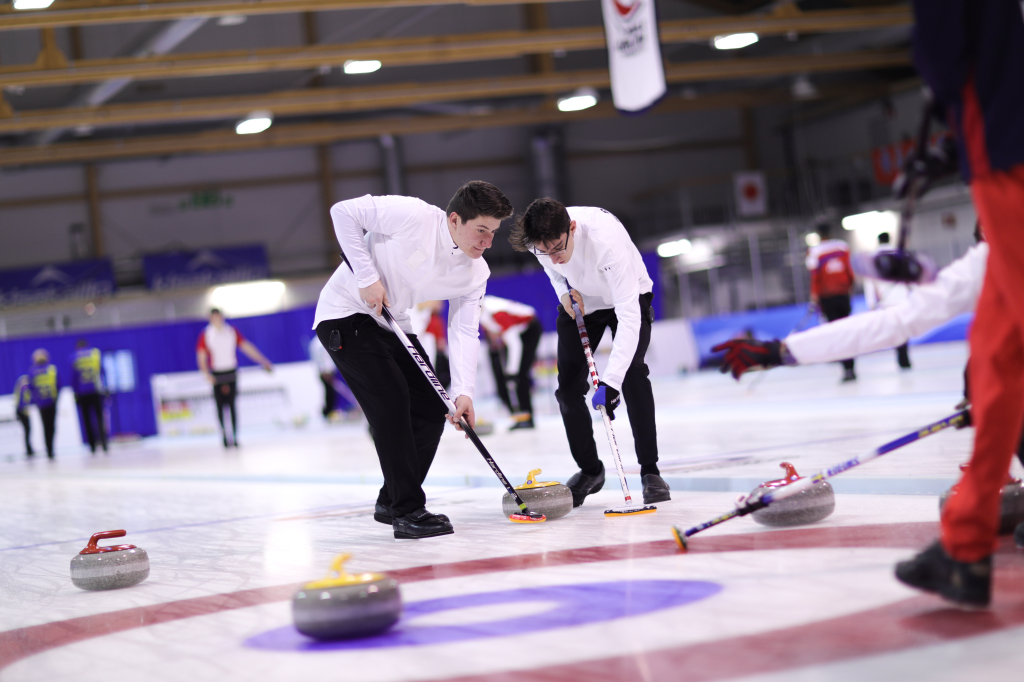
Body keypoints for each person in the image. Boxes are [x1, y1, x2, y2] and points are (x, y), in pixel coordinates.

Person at [891, 0, 1024, 608]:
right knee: (995, 357)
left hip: (1007, 157)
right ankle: (965, 548)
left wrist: (953, 128)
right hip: (997, 146)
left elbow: (944, 56)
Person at [313, 181, 513, 539]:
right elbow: (342, 212)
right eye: (481, 230)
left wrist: (463, 391)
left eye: (494, 233)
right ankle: (407, 511)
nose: (487, 242)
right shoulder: (413, 215)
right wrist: (366, 276)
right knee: (392, 402)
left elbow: (464, 330)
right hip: (346, 313)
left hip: (394, 323)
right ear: (454, 220)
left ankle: (392, 500)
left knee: (429, 409)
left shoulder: (475, 272)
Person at [509, 198, 669, 507]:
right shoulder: (538, 239)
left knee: (633, 373)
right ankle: (590, 471)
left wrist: (611, 383)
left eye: (557, 248)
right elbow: (554, 272)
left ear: (571, 228)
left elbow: (628, 315)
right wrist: (563, 292)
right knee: (567, 388)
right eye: (544, 251)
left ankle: (651, 471)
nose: (553, 258)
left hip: (627, 297)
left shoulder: (605, 243)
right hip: (583, 301)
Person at [196, 308, 273, 448]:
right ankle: (225, 436)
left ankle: (235, 436)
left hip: (231, 371)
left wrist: (263, 361)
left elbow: (246, 347)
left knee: (232, 406)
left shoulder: (231, 331)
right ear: (210, 318)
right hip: (217, 374)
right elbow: (201, 355)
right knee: (220, 407)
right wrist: (206, 373)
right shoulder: (206, 334)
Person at [480, 295, 542, 430]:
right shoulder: (480, 312)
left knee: (520, 374)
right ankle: (518, 416)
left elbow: (515, 344)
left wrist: (512, 371)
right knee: (505, 378)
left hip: (529, 330)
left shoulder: (498, 313)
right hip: (514, 335)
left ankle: (527, 418)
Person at [806, 223, 857, 382]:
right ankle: (850, 367)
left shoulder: (814, 252)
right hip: (843, 294)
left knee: (836, 332)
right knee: (845, 330)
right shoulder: (843, 247)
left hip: (827, 296)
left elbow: (815, 276)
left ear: (819, 235)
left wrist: (814, 297)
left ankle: (846, 369)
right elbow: (850, 270)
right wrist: (850, 287)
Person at [864, 233, 912, 370]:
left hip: (886, 299)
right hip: (903, 297)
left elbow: (869, 282)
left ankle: (901, 357)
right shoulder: (900, 253)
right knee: (903, 328)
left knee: (894, 329)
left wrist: (871, 303)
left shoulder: (872, 257)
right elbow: (910, 275)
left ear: (878, 241)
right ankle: (904, 358)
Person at [70, 339, 108, 454]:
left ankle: (92, 446)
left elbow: (73, 377)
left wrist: (75, 393)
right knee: (100, 418)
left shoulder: (74, 357)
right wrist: (104, 388)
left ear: (77, 347)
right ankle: (104, 443)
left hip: (82, 393)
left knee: (87, 420)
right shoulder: (95, 354)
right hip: (96, 390)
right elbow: (102, 372)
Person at [27, 349, 58, 459]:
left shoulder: (32, 371)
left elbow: (30, 388)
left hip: (41, 404)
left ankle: (49, 450)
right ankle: (51, 449)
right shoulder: (51, 369)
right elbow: (59, 384)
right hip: (51, 401)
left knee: (45, 427)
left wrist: (36, 400)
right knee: (52, 426)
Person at [13, 375, 33, 458]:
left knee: (27, 430)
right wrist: (25, 410)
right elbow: (22, 401)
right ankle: (28, 450)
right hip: (22, 411)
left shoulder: (19, 387)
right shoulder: (23, 387)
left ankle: (29, 449)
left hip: (20, 410)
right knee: (27, 430)